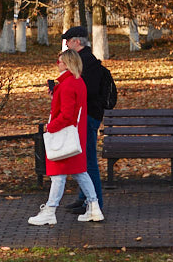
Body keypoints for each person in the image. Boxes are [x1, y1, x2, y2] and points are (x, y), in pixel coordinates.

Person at [28, 48, 104, 226]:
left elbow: (67, 114)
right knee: (80, 172)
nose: (57, 64)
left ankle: (50, 210)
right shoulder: (77, 82)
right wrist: (56, 95)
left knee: (58, 175)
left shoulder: (67, 84)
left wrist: (50, 126)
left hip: (64, 136)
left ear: (68, 63)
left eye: (59, 61)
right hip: (75, 136)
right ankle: (94, 207)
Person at [60, 25, 107, 214]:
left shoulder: (88, 62)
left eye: (68, 41)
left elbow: (86, 91)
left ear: (77, 42)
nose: (66, 45)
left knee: (88, 162)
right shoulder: (85, 60)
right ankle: (85, 198)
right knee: (83, 161)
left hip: (88, 117)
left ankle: (95, 202)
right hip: (86, 116)